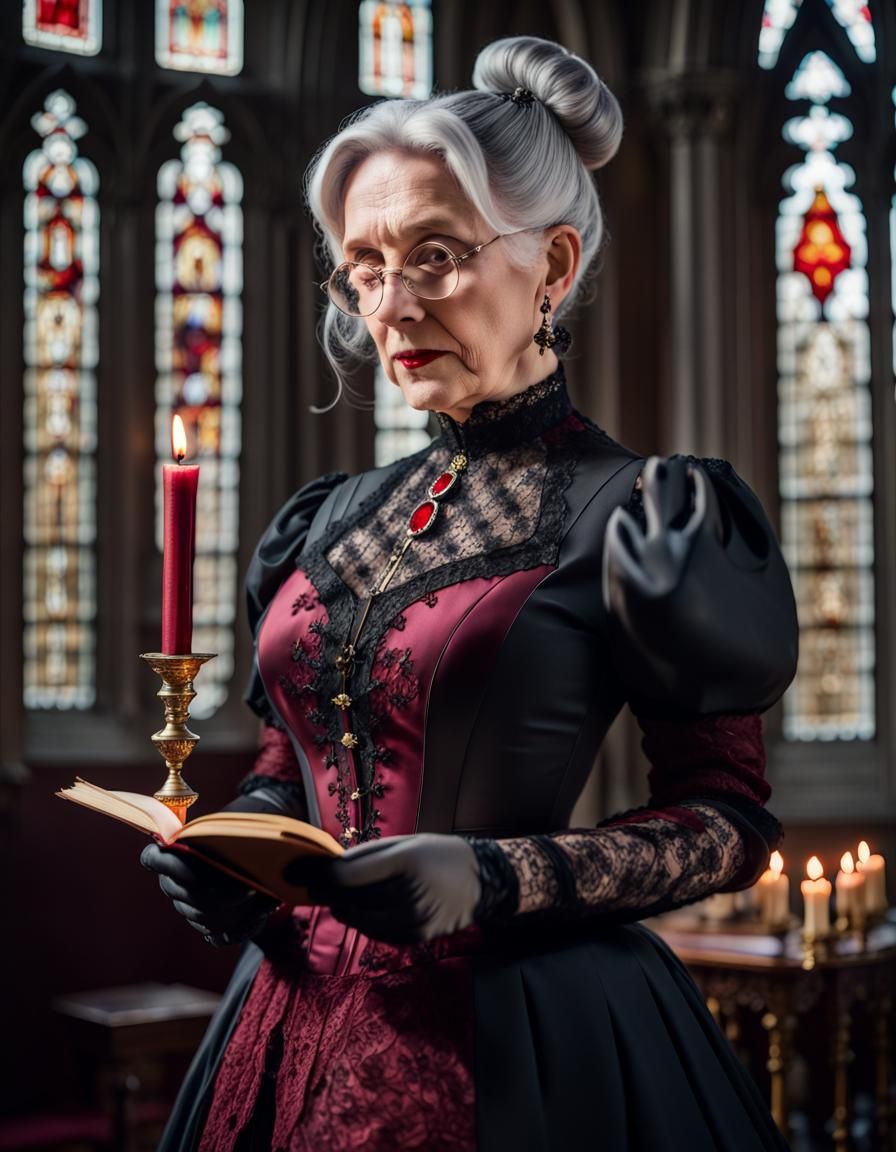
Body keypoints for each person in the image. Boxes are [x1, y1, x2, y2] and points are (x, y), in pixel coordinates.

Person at [143, 34, 799, 1152]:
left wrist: (497, 878)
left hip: (525, 1044)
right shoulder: (328, 516)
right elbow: (277, 773)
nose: (387, 309)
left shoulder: (646, 514)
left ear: (551, 267)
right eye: (363, 266)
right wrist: (233, 854)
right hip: (287, 1022)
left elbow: (727, 825)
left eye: (434, 256)